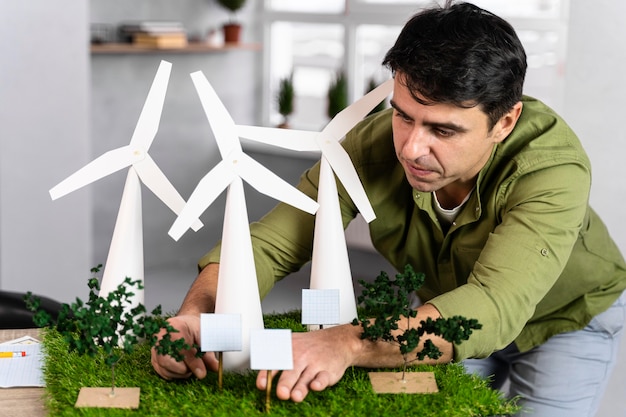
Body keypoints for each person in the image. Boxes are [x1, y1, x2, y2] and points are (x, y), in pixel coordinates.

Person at [151, 2, 626, 416]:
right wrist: (198, 313)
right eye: (403, 114)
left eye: (443, 130)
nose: (412, 148)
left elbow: (494, 307)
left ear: (504, 121)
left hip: (567, 320)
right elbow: (273, 242)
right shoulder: (368, 146)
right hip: (443, 306)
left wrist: (346, 342)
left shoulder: (552, 169)